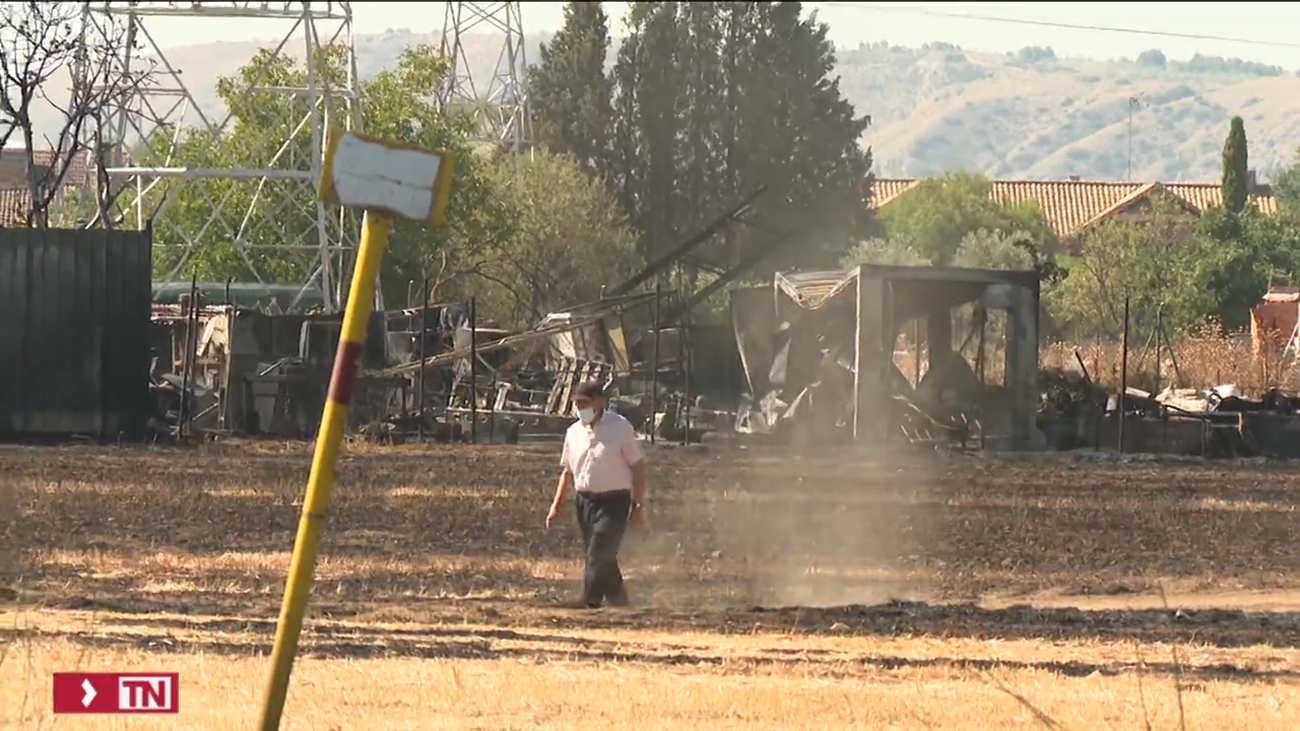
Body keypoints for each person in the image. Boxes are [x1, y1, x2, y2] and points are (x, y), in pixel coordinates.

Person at [546, 380, 648, 608]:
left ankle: (589, 600)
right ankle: (620, 601)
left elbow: (638, 466)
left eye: (585, 403)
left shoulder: (620, 427)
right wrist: (556, 507)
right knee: (604, 555)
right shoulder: (573, 433)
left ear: (600, 401)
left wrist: (638, 507)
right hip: (585, 502)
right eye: (577, 403)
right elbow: (567, 472)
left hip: (615, 501)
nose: (581, 408)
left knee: (598, 550)